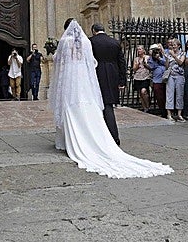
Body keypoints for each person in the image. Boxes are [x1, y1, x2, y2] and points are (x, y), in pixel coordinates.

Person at [50, 19, 174, 178]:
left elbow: (62, 60)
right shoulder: (106, 42)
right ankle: (107, 137)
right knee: (99, 107)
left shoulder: (75, 41)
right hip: (95, 79)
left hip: (79, 77)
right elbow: (110, 61)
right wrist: (121, 80)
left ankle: (74, 139)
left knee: (72, 106)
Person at [90, 23, 127, 145]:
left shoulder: (91, 42)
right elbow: (122, 63)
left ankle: (101, 136)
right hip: (112, 76)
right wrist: (122, 81)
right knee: (108, 106)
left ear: (94, 31)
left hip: (97, 75)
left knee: (97, 107)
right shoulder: (115, 42)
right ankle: (114, 136)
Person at [165, 38, 186, 122]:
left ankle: (179, 114)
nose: (173, 47)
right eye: (172, 45)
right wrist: (167, 58)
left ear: (178, 46)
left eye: (174, 45)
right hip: (171, 75)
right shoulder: (169, 54)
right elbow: (166, 66)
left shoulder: (182, 53)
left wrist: (174, 56)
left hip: (179, 75)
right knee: (169, 94)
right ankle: (169, 114)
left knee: (179, 94)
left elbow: (181, 63)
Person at [147, 43, 168, 119]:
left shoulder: (163, 56)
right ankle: (163, 111)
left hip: (165, 79)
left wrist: (159, 58)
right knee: (159, 97)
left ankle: (168, 111)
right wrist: (153, 57)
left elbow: (166, 64)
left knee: (166, 96)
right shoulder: (150, 59)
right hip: (157, 80)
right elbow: (151, 67)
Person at [132, 45, 151, 112]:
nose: (139, 51)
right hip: (138, 77)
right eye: (138, 49)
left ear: (143, 50)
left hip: (145, 76)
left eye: (140, 49)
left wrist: (145, 64)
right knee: (140, 93)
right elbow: (134, 69)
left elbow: (151, 67)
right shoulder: (136, 59)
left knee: (144, 91)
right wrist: (137, 65)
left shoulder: (148, 57)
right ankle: (144, 107)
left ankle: (148, 106)